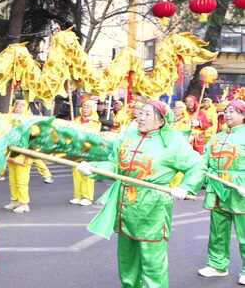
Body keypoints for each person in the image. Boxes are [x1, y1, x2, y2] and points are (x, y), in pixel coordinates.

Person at [77, 100, 205, 288]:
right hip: (124, 203)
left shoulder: (173, 142)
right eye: (140, 113)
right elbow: (115, 166)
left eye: (147, 114)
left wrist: (186, 186)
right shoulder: (128, 137)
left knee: (152, 260)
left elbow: (197, 164)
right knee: (126, 259)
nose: (140, 117)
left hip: (152, 205)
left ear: (161, 121)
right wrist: (93, 168)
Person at [198, 99, 245, 285]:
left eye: (233, 111)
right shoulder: (217, 137)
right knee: (218, 231)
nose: (228, 114)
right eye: (227, 111)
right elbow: (204, 160)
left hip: (240, 188)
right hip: (217, 187)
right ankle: (217, 265)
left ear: (243, 115)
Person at [70, 99, 101, 206]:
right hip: (76, 150)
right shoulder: (76, 120)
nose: (85, 109)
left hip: (89, 151)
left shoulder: (95, 123)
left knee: (87, 173)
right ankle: (77, 195)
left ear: (92, 109)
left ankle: (87, 197)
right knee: (76, 172)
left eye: (88, 107)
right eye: (84, 106)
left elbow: (93, 135)